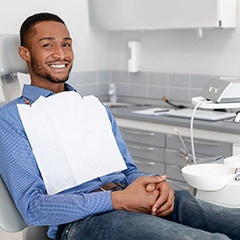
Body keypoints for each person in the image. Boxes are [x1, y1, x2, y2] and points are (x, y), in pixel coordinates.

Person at [0, 12, 239, 240]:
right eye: (47, 45)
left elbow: (128, 171)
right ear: (25, 53)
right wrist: (118, 200)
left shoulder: (92, 108)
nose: (61, 54)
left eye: (66, 44)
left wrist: (155, 184)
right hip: (83, 222)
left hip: (131, 198)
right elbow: (33, 207)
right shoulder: (11, 119)